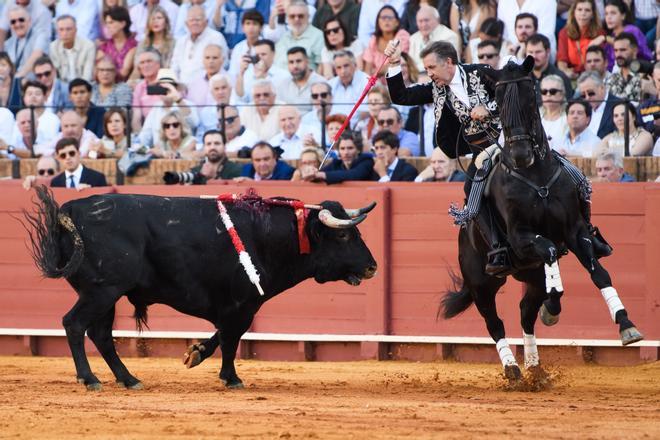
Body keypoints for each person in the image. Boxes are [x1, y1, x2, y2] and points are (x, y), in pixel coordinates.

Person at [383, 39, 608, 275]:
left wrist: (488, 110)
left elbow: (515, 95)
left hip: (513, 142)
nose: (429, 74)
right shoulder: (437, 89)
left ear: (448, 62)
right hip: (482, 152)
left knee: (575, 176)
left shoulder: (482, 73)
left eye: (431, 68)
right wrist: (395, 62)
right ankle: (498, 247)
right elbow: (401, 97)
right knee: (471, 197)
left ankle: (588, 232)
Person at [170, 5, 229, 90]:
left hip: (208, 87)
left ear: (206, 22)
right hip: (182, 88)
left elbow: (224, 64)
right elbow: (174, 67)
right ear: (186, 24)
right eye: (191, 20)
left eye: (198, 19)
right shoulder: (181, 41)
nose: (194, 23)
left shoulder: (216, 37)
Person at [138, 68, 199, 148]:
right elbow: (145, 137)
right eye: (161, 87)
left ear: (176, 88)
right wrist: (141, 149)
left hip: (183, 153)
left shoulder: (187, 104)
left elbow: (194, 123)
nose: (166, 90)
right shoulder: (155, 109)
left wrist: (178, 100)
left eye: (169, 86)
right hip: (160, 155)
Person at [164, 129, 243, 184]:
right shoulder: (195, 171)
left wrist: (213, 177)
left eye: (217, 143)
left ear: (224, 146)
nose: (212, 147)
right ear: (204, 148)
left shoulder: (236, 169)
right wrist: (200, 176)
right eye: (208, 144)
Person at [556, 0, 604, 80]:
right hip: (572, 77)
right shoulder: (564, 33)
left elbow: (598, 62)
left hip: (593, 76)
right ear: (574, 12)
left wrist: (603, 38)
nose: (583, 13)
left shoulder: (599, 33)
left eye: (587, 10)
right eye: (579, 10)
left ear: (593, 14)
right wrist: (566, 71)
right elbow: (561, 61)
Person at [598, 0, 653, 71]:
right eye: (606, 14)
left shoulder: (632, 30)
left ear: (623, 16)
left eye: (613, 13)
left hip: (637, 70)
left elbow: (642, 53)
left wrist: (607, 39)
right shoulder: (610, 35)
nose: (609, 17)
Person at [305, 130, 374, 184]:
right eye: (342, 148)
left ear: (358, 150)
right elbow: (318, 175)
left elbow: (354, 174)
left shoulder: (367, 161)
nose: (346, 153)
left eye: (350, 148)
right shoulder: (336, 163)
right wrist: (312, 173)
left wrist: (323, 175)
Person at [273, 1, 324, 71]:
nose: (296, 19)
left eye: (300, 16)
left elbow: (322, 66)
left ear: (308, 17)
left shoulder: (318, 36)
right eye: (292, 16)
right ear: (287, 18)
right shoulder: (283, 38)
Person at [235, 39, 289, 104]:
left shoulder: (284, 75)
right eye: (257, 55)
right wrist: (241, 73)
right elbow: (241, 97)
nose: (260, 58)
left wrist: (261, 77)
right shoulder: (248, 74)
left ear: (273, 54)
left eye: (263, 54)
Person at [362, 5, 410, 77]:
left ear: (397, 22)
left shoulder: (402, 35)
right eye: (383, 18)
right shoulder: (374, 40)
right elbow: (367, 70)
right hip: (377, 85)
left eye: (390, 18)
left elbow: (397, 62)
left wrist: (376, 72)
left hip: (400, 80)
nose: (386, 20)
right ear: (378, 22)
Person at [409, 4, 460, 72]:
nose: (423, 25)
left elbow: (444, 65)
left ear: (437, 20)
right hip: (417, 78)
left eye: (426, 20)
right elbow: (410, 65)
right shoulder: (413, 38)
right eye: (420, 21)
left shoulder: (449, 36)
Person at [526, 33, 573, 106]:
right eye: (530, 52)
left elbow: (568, 106)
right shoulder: (522, 78)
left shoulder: (561, 77)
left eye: (538, 52)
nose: (534, 56)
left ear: (548, 52)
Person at [4, 6, 49, 78]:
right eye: (13, 22)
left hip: (36, 84)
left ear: (30, 21)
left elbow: (36, 56)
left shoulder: (41, 35)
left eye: (21, 20)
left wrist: (18, 76)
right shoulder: (8, 43)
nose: (17, 24)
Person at [49, 15, 96, 83]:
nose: (65, 33)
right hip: (62, 88)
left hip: (84, 87)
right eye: (61, 29)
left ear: (75, 30)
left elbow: (87, 76)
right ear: (57, 31)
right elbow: (55, 76)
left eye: (68, 29)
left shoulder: (88, 46)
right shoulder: (53, 47)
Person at [278, 47, 325, 113]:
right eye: (291, 62)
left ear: (307, 61)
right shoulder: (283, 85)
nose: (295, 66)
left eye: (298, 61)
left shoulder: (321, 83)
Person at [577, 70, 622, 139]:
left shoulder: (619, 105)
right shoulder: (581, 106)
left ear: (602, 88)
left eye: (591, 93)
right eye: (583, 95)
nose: (587, 98)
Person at [328, 50, 369, 124]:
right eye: (339, 67)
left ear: (355, 65)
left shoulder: (367, 82)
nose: (343, 71)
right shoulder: (330, 85)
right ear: (335, 70)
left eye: (346, 66)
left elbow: (366, 112)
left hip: (359, 129)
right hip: (336, 129)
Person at [97, 6, 138, 81]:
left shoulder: (133, 45)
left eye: (111, 22)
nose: (108, 26)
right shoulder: (104, 46)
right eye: (106, 23)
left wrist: (105, 72)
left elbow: (124, 73)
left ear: (123, 24)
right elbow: (97, 70)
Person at [227, 9, 265, 81]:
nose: (251, 27)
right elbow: (232, 73)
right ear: (243, 27)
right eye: (248, 23)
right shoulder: (238, 48)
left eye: (254, 24)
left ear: (261, 28)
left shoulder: (266, 47)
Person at [131, 48, 163, 132]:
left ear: (158, 65)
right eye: (142, 63)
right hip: (149, 129)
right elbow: (136, 117)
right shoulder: (139, 87)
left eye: (149, 61)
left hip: (169, 126)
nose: (146, 65)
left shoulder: (168, 82)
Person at [133, 5, 174, 70]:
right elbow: (137, 67)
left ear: (166, 23)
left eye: (159, 18)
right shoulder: (143, 43)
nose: (155, 21)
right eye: (152, 19)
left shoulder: (173, 43)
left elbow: (171, 66)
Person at [607, 32, 645, 102]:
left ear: (635, 51)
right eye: (616, 50)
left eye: (623, 50)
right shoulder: (610, 79)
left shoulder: (646, 76)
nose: (618, 54)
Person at [21, 80, 60, 146]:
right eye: (29, 94)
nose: (33, 96)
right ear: (24, 98)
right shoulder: (19, 119)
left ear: (45, 97)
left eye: (37, 94)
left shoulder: (53, 119)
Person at [539, 75, 569, 152]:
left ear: (562, 94)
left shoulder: (569, 117)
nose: (548, 95)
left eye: (553, 91)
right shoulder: (536, 116)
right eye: (544, 92)